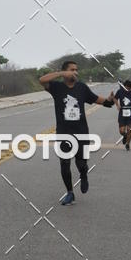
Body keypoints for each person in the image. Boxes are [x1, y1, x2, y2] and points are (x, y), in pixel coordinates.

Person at [39, 60, 115, 205]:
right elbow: (42, 80)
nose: (76, 72)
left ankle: (84, 174)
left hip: (81, 133)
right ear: (65, 72)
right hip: (63, 133)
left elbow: (97, 100)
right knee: (64, 164)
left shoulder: (81, 88)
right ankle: (69, 192)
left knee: (81, 163)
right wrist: (61, 73)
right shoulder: (56, 87)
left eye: (76, 69)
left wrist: (109, 101)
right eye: (72, 70)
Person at [114, 80, 131, 150]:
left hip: (130, 114)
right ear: (124, 86)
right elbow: (115, 98)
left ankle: (127, 144)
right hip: (122, 114)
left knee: (129, 129)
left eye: (129, 88)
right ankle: (125, 136)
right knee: (121, 131)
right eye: (126, 88)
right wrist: (117, 105)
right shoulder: (120, 91)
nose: (128, 90)